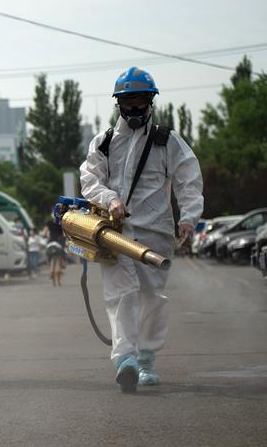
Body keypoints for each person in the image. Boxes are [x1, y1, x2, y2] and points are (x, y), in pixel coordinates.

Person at [79, 67, 203, 392]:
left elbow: (189, 180)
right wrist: (110, 199)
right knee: (123, 296)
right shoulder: (104, 142)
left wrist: (189, 217)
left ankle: (146, 357)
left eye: (140, 103)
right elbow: (90, 179)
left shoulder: (167, 141)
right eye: (128, 103)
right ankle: (126, 360)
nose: (134, 110)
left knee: (152, 298)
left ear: (151, 103)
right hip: (115, 234)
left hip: (157, 235)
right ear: (119, 104)